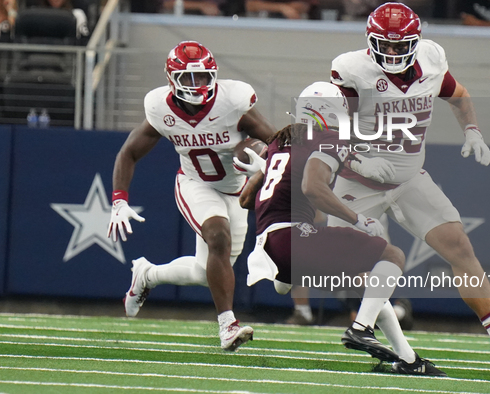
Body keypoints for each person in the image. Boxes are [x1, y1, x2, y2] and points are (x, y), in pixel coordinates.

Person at [327, 2, 490, 369]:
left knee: (460, 246)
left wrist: (472, 129)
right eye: (387, 45)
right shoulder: (352, 70)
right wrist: (359, 159)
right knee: (354, 264)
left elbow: (458, 94)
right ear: (370, 41)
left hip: (410, 175)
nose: (394, 52)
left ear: (417, 41)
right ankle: (391, 344)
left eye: (402, 45)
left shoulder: (431, 59)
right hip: (360, 181)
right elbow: (332, 131)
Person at [236, 81, 446, 376]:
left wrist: (262, 169)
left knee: (370, 286)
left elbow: (246, 200)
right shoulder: (326, 139)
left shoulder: (278, 142)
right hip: (293, 238)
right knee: (393, 255)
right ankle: (361, 329)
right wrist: (356, 218)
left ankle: (409, 360)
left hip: (269, 246)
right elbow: (312, 187)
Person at [107, 41, 276, 351]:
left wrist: (262, 156)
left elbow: (273, 140)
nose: (197, 85)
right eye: (189, 78)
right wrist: (119, 199)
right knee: (218, 237)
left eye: (203, 77)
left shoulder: (233, 101)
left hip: (237, 190)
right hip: (196, 184)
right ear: (172, 79)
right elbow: (129, 152)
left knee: (204, 272)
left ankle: (147, 275)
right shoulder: (160, 108)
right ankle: (228, 325)